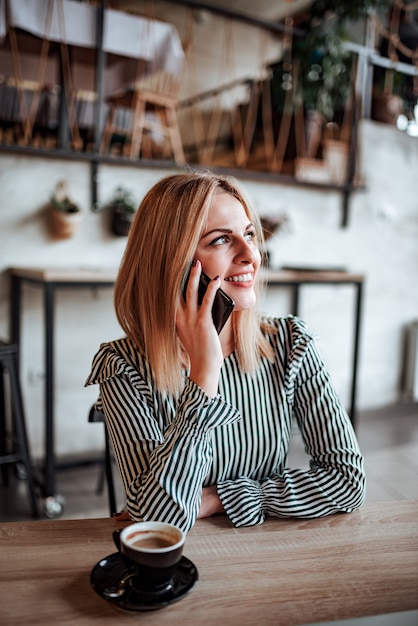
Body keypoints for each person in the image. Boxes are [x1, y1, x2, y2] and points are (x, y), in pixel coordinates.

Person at [85, 170, 366, 532]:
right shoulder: (123, 366)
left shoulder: (290, 342)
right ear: (174, 262)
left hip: (269, 557)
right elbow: (157, 520)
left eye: (249, 234)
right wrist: (204, 374)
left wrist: (218, 498)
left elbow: (346, 481)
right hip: (183, 568)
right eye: (221, 240)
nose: (251, 254)